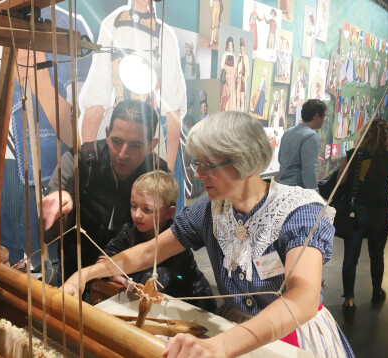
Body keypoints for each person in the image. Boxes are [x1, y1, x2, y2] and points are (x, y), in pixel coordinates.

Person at [64, 111, 354, 358]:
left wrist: (220, 346)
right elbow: (150, 252)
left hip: (292, 335)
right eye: (196, 163)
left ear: (244, 161)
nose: (198, 173)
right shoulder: (211, 209)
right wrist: (86, 274)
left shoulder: (298, 210)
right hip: (231, 329)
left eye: (208, 164)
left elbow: (301, 298)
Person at [42, 100, 168, 280]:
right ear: (107, 134)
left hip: (128, 278)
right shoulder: (79, 160)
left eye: (135, 145)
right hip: (73, 272)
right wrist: (57, 214)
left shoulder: (159, 175)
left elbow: (163, 241)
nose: (123, 154)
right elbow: (48, 235)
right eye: (116, 141)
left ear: (152, 145)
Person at [79, 0, 186, 175]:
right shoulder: (112, 25)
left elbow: (173, 110)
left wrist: (169, 174)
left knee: (147, 194)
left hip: (148, 132)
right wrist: (87, 168)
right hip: (115, 127)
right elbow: (96, 99)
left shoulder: (164, 35)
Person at [92, 171, 216, 312]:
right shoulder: (129, 231)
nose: (137, 215)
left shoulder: (176, 241)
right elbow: (104, 259)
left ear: (169, 213)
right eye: (133, 206)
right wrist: (117, 275)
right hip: (150, 306)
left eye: (147, 209)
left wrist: (123, 279)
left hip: (191, 307)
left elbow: (158, 285)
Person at [338, 119, 388, 315]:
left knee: (350, 256)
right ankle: (376, 291)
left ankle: (348, 300)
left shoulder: (353, 155)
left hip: (356, 212)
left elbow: (341, 181)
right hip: (380, 212)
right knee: (377, 255)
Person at [277, 99, 328, 190]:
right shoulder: (311, 136)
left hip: (281, 186)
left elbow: (281, 158)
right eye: (324, 116)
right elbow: (309, 171)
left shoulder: (288, 132)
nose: (324, 119)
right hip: (296, 190)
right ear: (316, 116)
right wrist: (314, 195)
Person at [220, 37, 237, 111]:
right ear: (227, 46)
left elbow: (235, 67)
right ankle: (226, 109)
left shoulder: (233, 56)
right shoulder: (225, 55)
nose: (230, 46)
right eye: (229, 45)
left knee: (232, 92)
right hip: (227, 76)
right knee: (227, 92)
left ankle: (231, 109)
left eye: (231, 45)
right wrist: (225, 74)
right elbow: (222, 66)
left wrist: (235, 74)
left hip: (232, 77)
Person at [236, 37, 250, 112]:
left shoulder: (246, 57)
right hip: (238, 79)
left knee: (242, 96)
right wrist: (236, 76)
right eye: (240, 48)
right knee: (237, 96)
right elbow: (235, 67)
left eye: (243, 48)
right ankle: (237, 110)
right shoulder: (237, 57)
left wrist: (244, 77)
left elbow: (248, 70)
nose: (241, 50)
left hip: (243, 80)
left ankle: (242, 111)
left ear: (244, 49)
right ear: (239, 48)